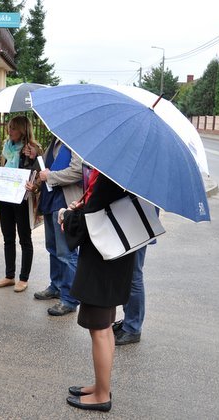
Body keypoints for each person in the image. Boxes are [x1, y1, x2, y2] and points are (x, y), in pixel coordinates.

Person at [60, 169, 136, 412]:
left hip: (103, 261)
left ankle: (102, 394)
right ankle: (100, 384)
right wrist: (81, 205)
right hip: (114, 257)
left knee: (100, 329)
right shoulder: (124, 174)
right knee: (104, 327)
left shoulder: (110, 176)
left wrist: (67, 216)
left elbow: (90, 221)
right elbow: (98, 209)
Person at [0, 116, 42, 292]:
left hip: (22, 200)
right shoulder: (7, 147)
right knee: (8, 238)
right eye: (9, 128)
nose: (10, 131)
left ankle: (23, 278)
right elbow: (2, 173)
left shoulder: (33, 149)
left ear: (23, 130)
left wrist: (33, 159)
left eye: (14, 128)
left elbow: (39, 175)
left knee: (25, 239)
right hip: (5, 198)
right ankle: (9, 276)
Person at [30, 136, 83, 316]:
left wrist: (50, 176)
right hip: (49, 201)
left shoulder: (74, 141)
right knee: (52, 248)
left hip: (65, 203)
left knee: (66, 253)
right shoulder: (55, 141)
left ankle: (70, 299)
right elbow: (44, 169)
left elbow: (77, 171)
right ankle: (56, 286)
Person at [113, 245, 148, 345]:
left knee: (133, 276)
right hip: (132, 233)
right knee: (128, 275)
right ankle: (129, 323)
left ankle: (133, 328)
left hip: (135, 234)